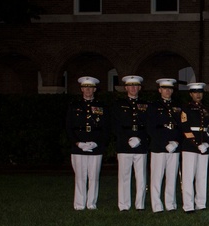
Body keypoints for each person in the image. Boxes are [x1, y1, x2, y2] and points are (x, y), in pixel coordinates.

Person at [66, 76, 108, 210]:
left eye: (90, 87)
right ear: (82, 89)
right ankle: (79, 204)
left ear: (94, 89)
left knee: (94, 177)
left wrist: (97, 143)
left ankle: (91, 203)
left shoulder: (101, 106)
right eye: (85, 87)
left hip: (95, 146)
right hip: (79, 146)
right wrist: (77, 143)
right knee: (80, 177)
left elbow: (106, 128)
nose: (88, 90)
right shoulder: (74, 106)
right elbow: (68, 127)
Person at [111, 74, 149, 211]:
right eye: (130, 86)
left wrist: (140, 138)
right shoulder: (118, 104)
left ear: (139, 87)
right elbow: (115, 125)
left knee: (141, 177)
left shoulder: (145, 105)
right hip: (124, 145)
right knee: (124, 176)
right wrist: (126, 138)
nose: (133, 88)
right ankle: (124, 205)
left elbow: (149, 125)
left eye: (136, 86)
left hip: (140, 144)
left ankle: (140, 205)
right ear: (126, 87)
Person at [147, 78, 182, 212]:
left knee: (172, 176)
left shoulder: (178, 106)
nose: (167, 91)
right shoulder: (153, 106)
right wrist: (163, 143)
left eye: (170, 88)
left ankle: (170, 204)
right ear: (159, 90)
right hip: (159, 146)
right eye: (164, 88)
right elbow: (150, 127)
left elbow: (182, 126)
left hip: (174, 146)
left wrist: (176, 142)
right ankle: (156, 205)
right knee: (157, 177)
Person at [179, 82, 209, 212]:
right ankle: (188, 205)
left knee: (202, 176)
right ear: (190, 94)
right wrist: (196, 144)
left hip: (204, 145)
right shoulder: (186, 108)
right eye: (195, 92)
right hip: (190, 146)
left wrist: (207, 143)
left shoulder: (206, 109)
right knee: (188, 176)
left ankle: (201, 203)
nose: (198, 95)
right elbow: (185, 127)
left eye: (200, 92)